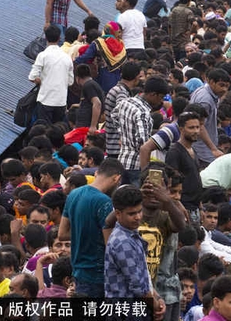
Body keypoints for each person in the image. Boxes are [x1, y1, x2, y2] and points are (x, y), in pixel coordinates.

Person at [58, 158, 123, 297]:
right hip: (97, 276)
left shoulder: (73, 194)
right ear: (117, 178)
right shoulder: (104, 202)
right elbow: (109, 244)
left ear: (97, 173)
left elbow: (62, 234)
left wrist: (83, 230)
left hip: (78, 271)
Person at [111, 77, 171, 185]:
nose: (161, 101)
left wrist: (123, 135)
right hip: (136, 165)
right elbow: (143, 145)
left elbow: (114, 115)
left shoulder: (127, 102)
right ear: (152, 94)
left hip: (122, 160)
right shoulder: (143, 113)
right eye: (161, 97)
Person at [105, 185, 153, 299]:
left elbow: (144, 276)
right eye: (131, 214)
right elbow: (138, 287)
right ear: (118, 214)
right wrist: (155, 305)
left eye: (140, 211)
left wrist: (157, 298)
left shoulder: (131, 234)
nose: (137, 217)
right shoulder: (123, 242)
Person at [28, 24, 74, 123]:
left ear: (46, 38)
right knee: (56, 129)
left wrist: (39, 80)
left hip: (45, 99)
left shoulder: (43, 55)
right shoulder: (67, 57)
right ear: (59, 38)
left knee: (43, 128)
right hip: (61, 101)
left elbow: (32, 77)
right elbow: (70, 82)